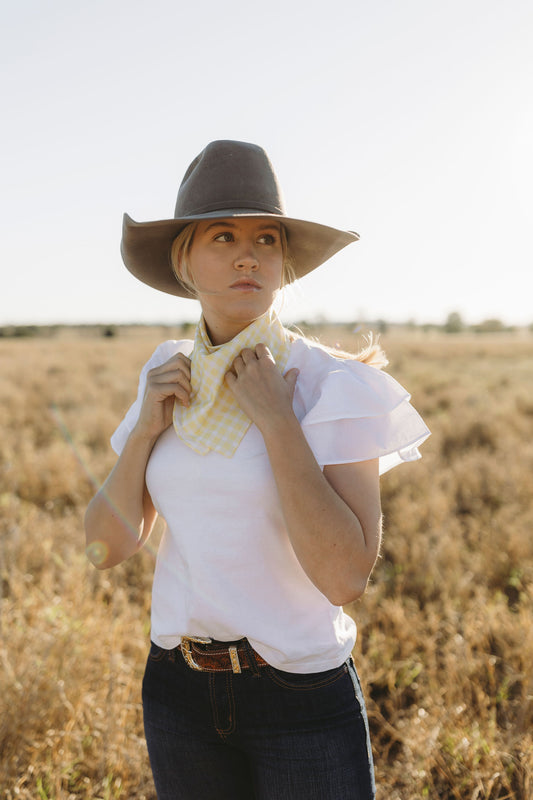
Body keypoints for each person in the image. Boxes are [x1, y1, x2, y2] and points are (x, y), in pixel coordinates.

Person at [85, 140, 430, 800]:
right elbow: (105, 547)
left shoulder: (335, 384)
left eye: (266, 239)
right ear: (185, 260)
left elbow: (343, 575)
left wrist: (277, 422)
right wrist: (146, 432)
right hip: (177, 691)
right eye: (223, 236)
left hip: (297, 695)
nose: (249, 254)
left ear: (282, 262)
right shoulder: (167, 372)